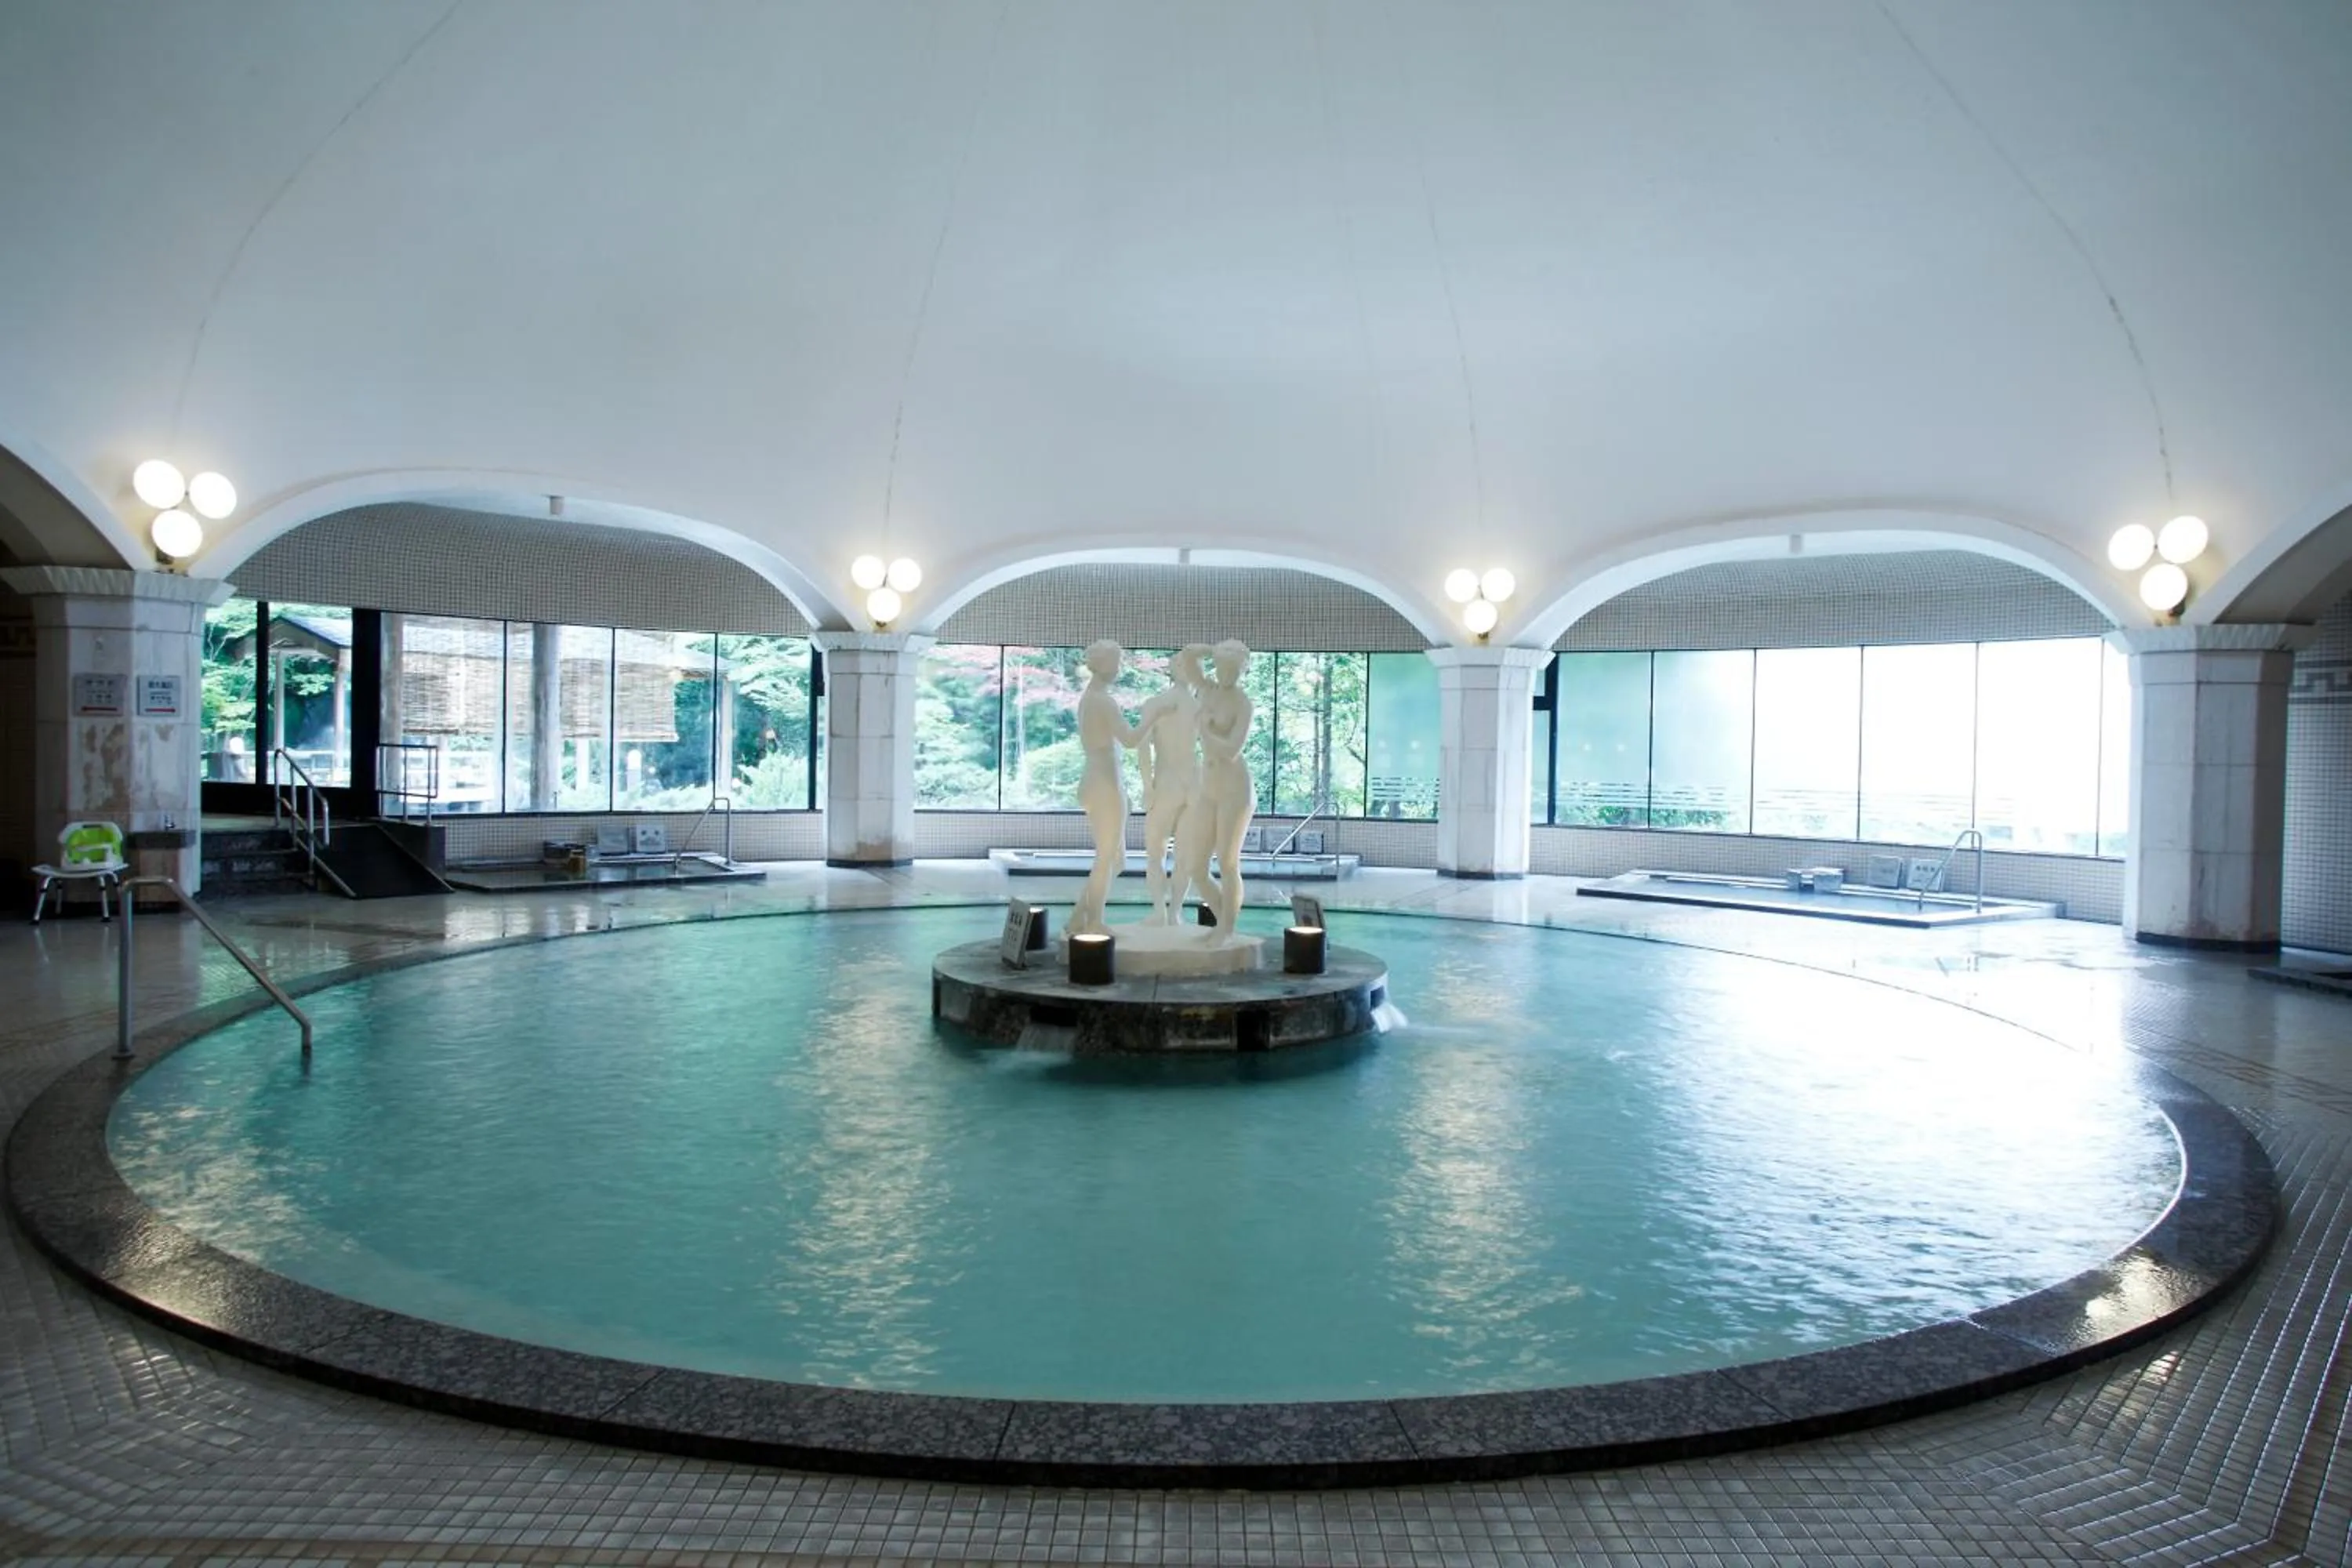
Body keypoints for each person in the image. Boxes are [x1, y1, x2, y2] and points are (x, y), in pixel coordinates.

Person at [1068, 640, 1143, 936]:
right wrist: (1156, 716)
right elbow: (1130, 739)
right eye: (1117, 661)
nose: (1119, 667)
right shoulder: (1102, 700)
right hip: (1104, 782)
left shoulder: (1090, 697)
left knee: (1117, 859)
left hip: (1099, 779)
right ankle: (1094, 920)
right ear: (1105, 664)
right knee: (1108, 856)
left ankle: (1077, 917)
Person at [1134, 644, 1211, 924]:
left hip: (1168, 783)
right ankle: (1172, 913)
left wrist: (1147, 786)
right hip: (1192, 783)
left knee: (1157, 852)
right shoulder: (1200, 707)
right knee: (1182, 854)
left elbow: (1143, 749)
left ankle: (1163, 912)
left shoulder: (1156, 704)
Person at [1195, 640, 1256, 932]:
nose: (1228, 674)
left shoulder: (1242, 703)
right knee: (1197, 867)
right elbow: (1186, 658)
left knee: (1228, 862)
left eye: (1235, 669)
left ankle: (1227, 929)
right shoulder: (1207, 691)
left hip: (1235, 787)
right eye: (1223, 667)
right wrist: (1212, 649)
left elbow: (1232, 750)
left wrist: (1205, 730)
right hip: (1209, 785)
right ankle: (1226, 923)